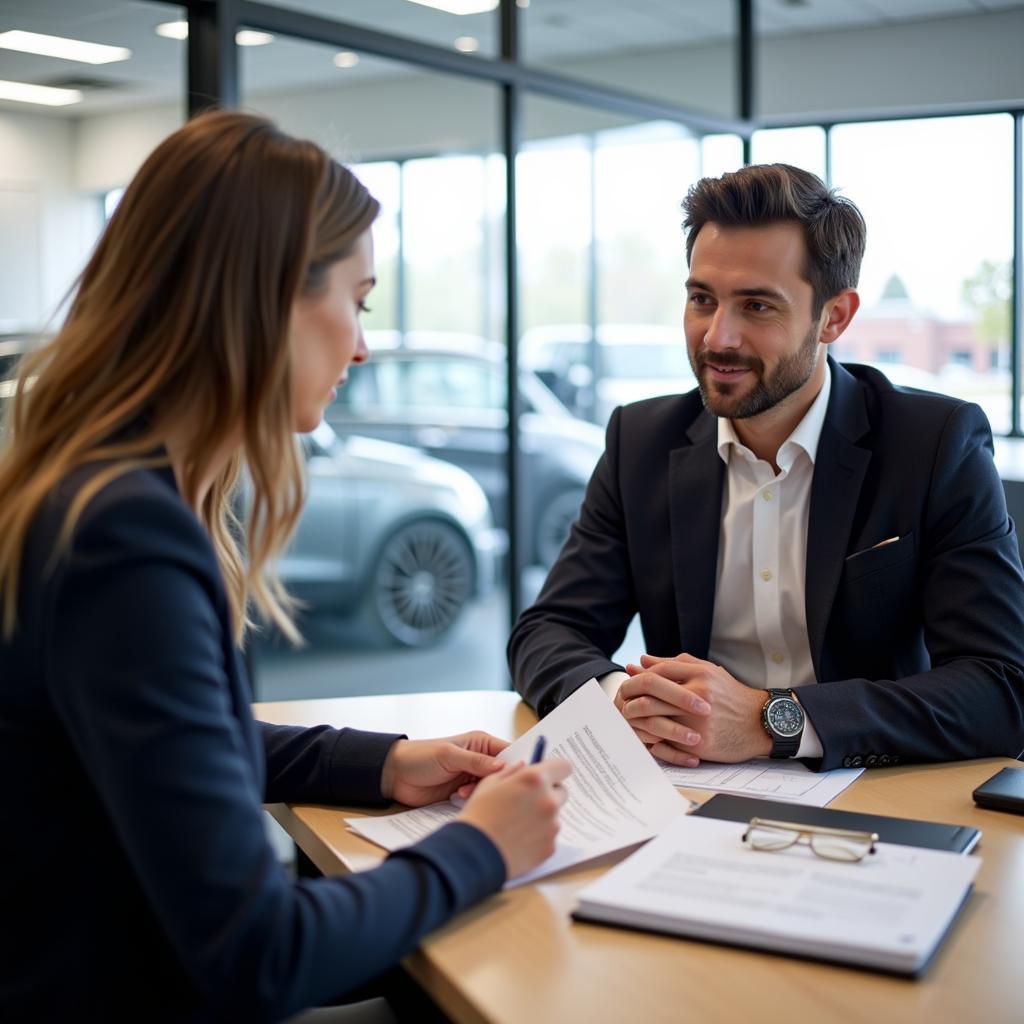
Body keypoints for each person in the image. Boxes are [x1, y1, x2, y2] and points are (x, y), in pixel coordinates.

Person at [0, 110, 571, 1024]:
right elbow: (259, 956)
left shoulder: (93, 491)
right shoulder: (127, 541)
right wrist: (482, 848)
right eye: (360, 298)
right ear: (264, 297)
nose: (362, 344)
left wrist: (387, 763)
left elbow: (176, 744)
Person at [509, 162, 1024, 772]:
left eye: (757, 306)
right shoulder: (640, 440)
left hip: (869, 790)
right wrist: (626, 700)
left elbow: (1000, 686)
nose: (717, 337)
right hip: (684, 789)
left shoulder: (934, 444)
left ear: (834, 316)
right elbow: (546, 631)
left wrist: (769, 719)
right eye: (702, 299)